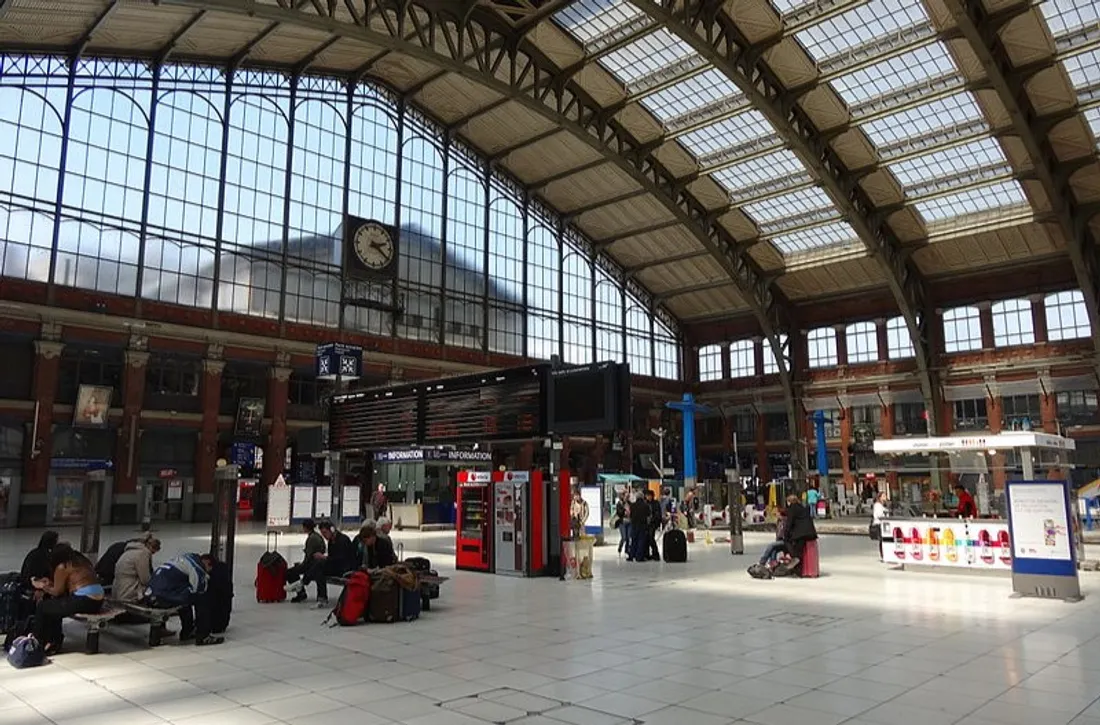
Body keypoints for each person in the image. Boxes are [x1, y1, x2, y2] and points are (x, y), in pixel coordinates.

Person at [30, 543, 105, 654]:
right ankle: (53, 642)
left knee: (43, 607)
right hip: (98, 600)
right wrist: (50, 583)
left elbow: (57, 592)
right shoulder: (82, 562)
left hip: (84, 599)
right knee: (55, 606)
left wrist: (41, 586)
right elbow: (71, 584)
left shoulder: (63, 566)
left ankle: (37, 642)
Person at [144, 552, 221, 646]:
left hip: (150, 594)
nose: (208, 572)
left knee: (185, 595)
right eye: (210, 569)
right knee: (202, 598)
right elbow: (197, 590)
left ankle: (188, 630)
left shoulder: (184, 558)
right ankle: (203, 636)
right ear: (207, 563)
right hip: (163, 597)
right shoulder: (197, 567)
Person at [285, 521, 357, 608]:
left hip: (345, 568)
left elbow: (342, 559)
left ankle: (303, 583)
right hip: (337, 566)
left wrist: (324, 558)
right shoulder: (331, 541)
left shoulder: (343, 540)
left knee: (320, 564)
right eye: (322, 534)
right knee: (319, 569)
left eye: (325, 533)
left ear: (332, 530)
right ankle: (321, 599)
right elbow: (332, 558)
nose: (324, 536)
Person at [285, 519, 326, 604]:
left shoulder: (311, 539)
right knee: (295, 569)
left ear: (305, 528)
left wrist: (301, 565)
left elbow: (308, 557)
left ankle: (301, 592)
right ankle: (301, 590)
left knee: (290, 572)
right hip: (316, 562)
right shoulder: (317, 536)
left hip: (312, 564)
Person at [113, 537, 161, 603]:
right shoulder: (143, 553)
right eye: (153, 552)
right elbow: (145, 579)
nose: (153, 554)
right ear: (151, 547)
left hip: (117, 590)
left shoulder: (129, 551)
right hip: (128, 592)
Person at [783, 494, 818, 575]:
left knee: (787, 541)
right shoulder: (803, 507)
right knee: (799, 547)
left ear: (790, 501)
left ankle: (795, 558)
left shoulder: (792, 508)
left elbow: (789, 523)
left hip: (801, 534)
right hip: (810, 533)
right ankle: (797, 565)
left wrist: (786, 534)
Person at [628, 491, 650, 562]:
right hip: (643, 525)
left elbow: (630, 516)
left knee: (634, 540)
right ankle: (639, 557)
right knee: (641, 541)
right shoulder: (646, 505)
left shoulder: (632, 505)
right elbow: (648, 516)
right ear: (643, 497)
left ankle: (631, 556)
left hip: (634, 525)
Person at [646, 489, 662, 561]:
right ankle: (648, 554)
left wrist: (657, 522)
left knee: (651, 538)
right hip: (646, 523)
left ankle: (655, 554)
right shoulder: (645, 503)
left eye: (649, 495)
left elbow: (658, 514)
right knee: (647, 538)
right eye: (647, 496)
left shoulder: (656, 503)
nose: (648, 497)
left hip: (653, 523)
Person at [871, 492, 888, 561]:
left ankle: (884, 555)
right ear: (880, 497)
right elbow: (877, 515)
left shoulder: (881, 505)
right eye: (884, 496)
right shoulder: (877, 505)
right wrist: (884, 515)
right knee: (882, 540)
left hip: (882, 523)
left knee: (883, 540)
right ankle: (883, 555)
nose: (885, 497)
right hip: (879, 524)